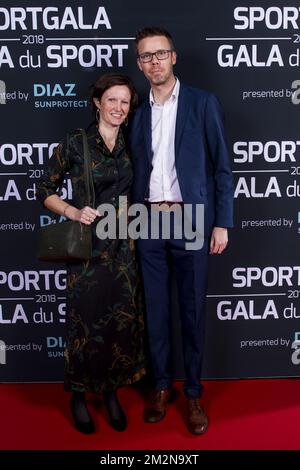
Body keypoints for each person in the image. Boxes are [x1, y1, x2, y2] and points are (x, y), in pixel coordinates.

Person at [130, 27, 234, 435]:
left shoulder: (203, 103)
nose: (154, 62)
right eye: (146, 56)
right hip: (147, 220)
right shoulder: (136, 111)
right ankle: (159, 387)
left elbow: (222, 168)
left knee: (191, 311)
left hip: (192, 217)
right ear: (139, 64)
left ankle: (192, 391)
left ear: (173, 57)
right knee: (155, 311)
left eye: (160, 54)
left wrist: (222, 222)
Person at [36, 73, 146, 434]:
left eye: (124, 102)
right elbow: (44, 188)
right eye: (111, 100)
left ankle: (111, 391)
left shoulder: (132, 142)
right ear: (98, 102)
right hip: (87, 250)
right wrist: (71, 211)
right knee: (85, 325)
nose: (118, 108)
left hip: (124, 249)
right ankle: (80, 395)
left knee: (119, 325)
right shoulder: (76, 141)